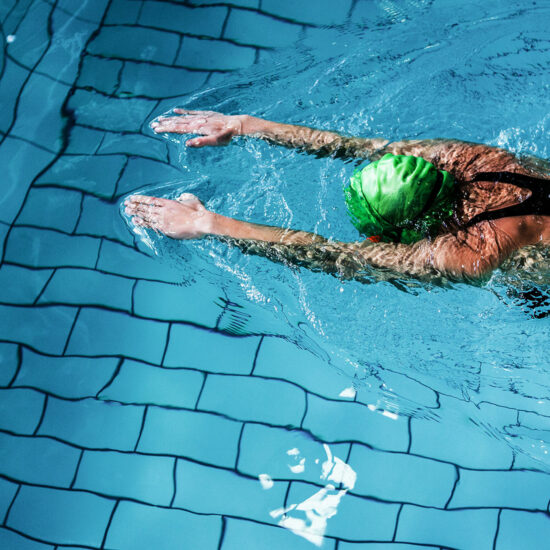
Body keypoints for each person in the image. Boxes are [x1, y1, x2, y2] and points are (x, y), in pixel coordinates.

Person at [124, 109, 550, 283]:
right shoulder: (468, 158)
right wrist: (247, 126)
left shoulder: (469, 254)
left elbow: (330, 254)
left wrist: (207, 223)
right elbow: (354, 147)